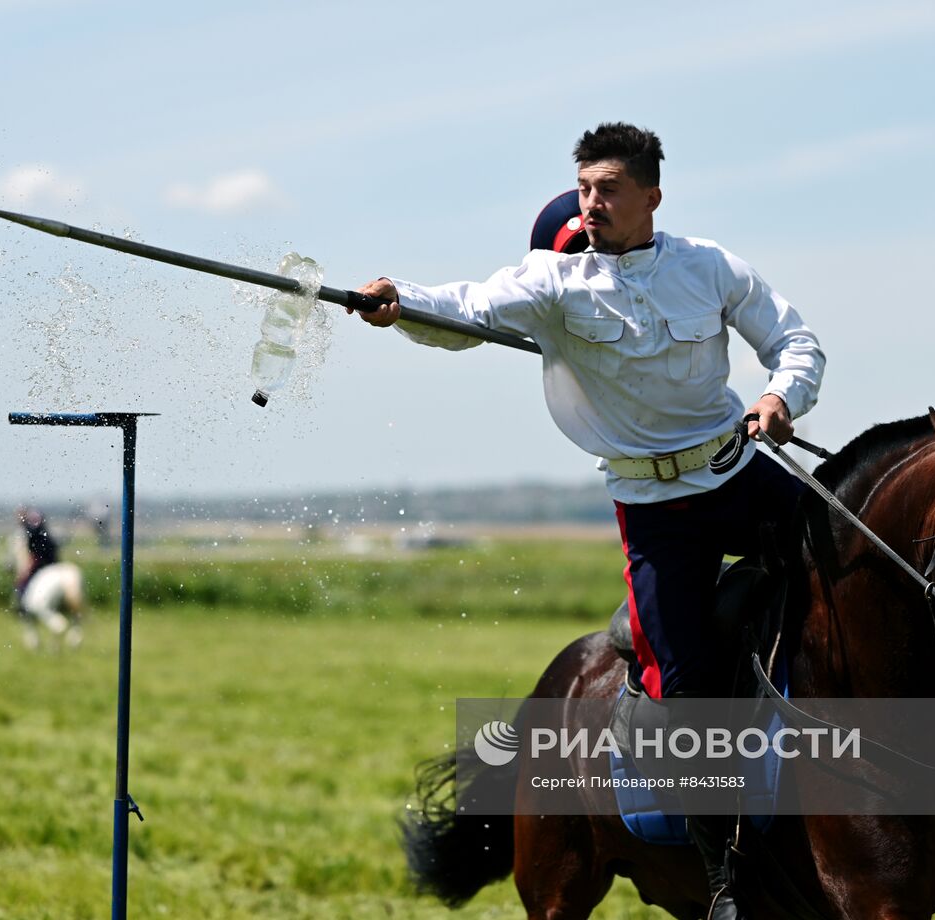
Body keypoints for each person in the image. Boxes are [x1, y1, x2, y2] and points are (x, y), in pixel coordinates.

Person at [351, 123, 825, 919]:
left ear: (651, 197)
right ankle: (728, 886)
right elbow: (466, 307)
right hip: (655, 514)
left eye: (607, 189)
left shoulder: (709, 266)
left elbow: (795, 339)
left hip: (739, 473)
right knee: (683, 702)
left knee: (867, 577)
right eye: (584, 188)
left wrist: (781, 397)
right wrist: (400, 304)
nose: (592, 203)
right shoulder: (555, 281)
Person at [15, 507, 59, 608]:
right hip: (51, 564)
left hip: (40, 565)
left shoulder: (33, 534)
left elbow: (35, 555)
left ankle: (23, 607)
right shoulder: (46, 532)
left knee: (22, 585)